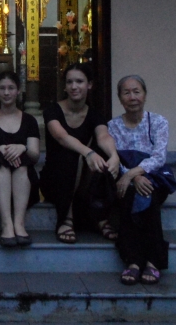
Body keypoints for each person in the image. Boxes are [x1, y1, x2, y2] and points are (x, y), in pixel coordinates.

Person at [40, 62, 120, 244]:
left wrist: (114, 156)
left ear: (89, 85)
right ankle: (66, 218)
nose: (74, 86)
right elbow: (62, 137)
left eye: (79, 81)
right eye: (69, 82)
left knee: (104, 155)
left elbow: (103, 136)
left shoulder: (95, 114)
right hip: (56, 179)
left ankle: (101, 216)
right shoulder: (52, 111)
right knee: (70, 155)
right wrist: (88, 153)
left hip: (84, 179)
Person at [108, 75, 176, 285]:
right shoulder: (113, 126)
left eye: (136, 92)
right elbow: (114, 158)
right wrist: (132, 177)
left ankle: (144, 261)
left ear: (144, 95)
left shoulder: (158, 122)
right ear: (120, 98)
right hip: (125, 180)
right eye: (126, 93)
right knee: (131, 194)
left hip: (154, 178)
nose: (132, 97)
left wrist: (133, 174)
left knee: (148, 194)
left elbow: (159, 157)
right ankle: (137, 262)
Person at [0, 70, 40, 247]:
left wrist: (22, 148)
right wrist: (0, 149)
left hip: (24, 180)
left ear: (18, 90)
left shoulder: (29, 120)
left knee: (21, 163)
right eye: (2, 88)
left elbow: (35, 155)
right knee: (1, 163)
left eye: (11, 88)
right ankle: (6, 224)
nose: (6, 92)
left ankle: (19, 224)